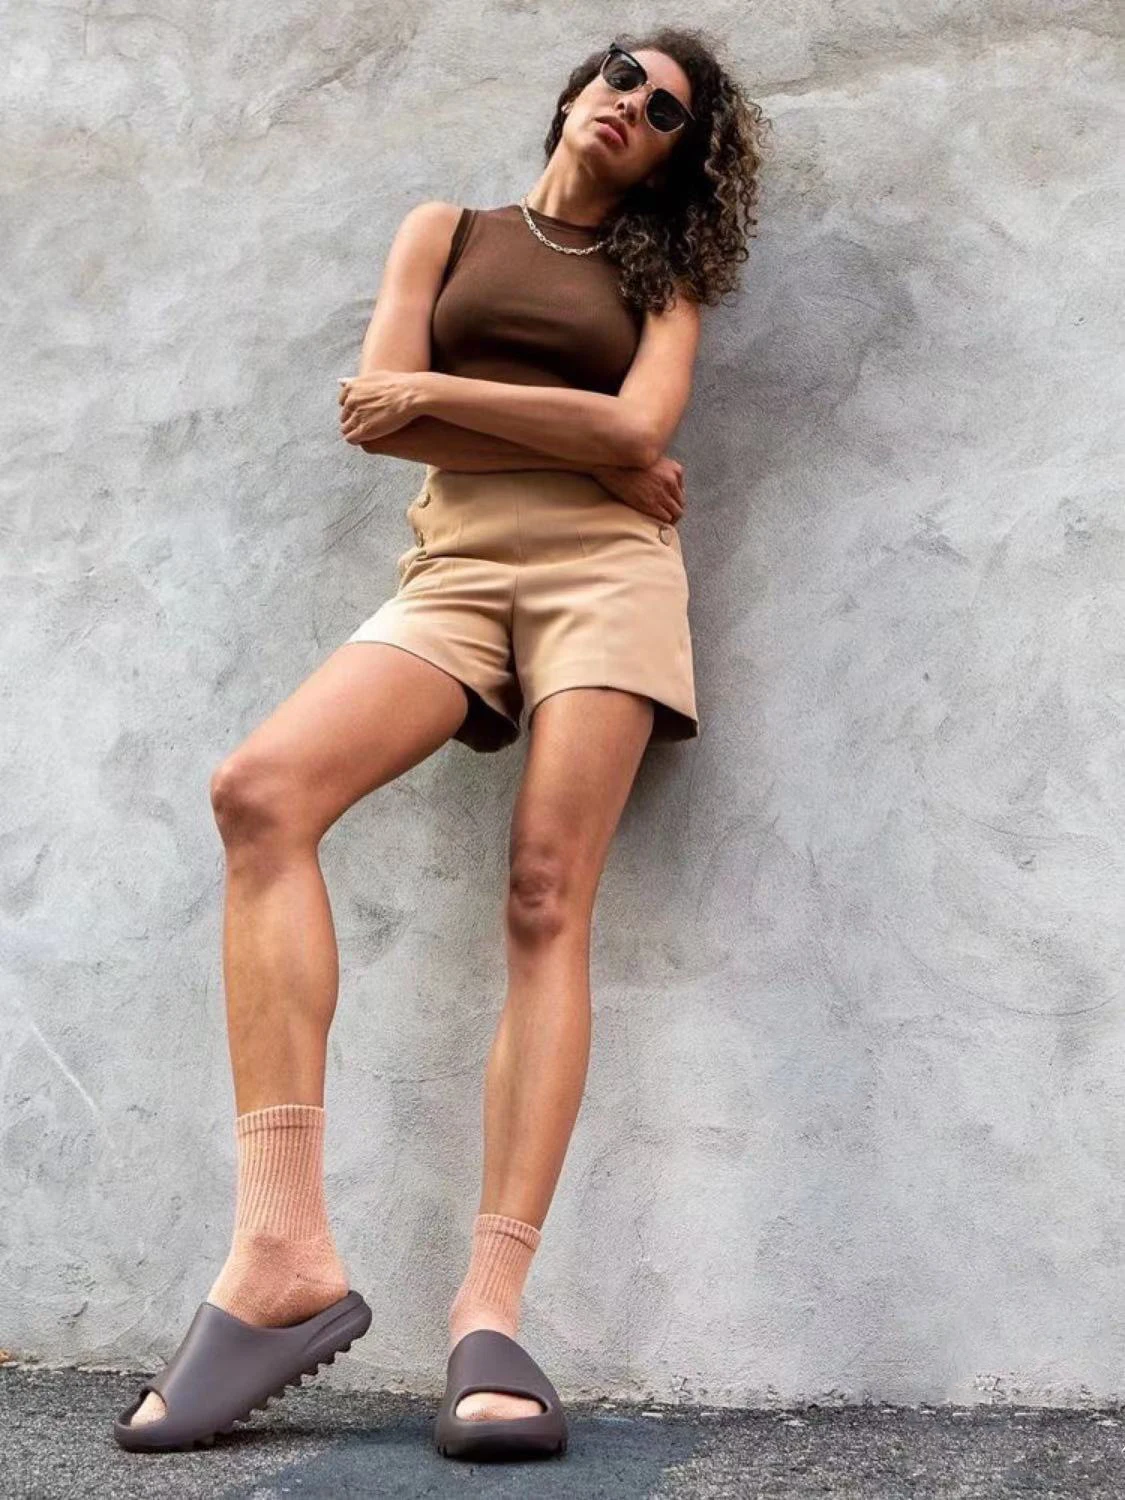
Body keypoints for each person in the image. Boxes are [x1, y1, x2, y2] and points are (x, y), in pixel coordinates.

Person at [113, 27, 767, 1463]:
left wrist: (452, 401)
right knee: (261, 794)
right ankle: (281, 1249)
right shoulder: (445, 232)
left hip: (608, 577)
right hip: (456, 572)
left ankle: (491, 1314)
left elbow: (635, 426)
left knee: (544, 895)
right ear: (577, 86)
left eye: (667, 112)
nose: (633, 105)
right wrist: (582, 440)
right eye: (623, 74)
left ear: (675, 161)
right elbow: (376, 413)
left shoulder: (666, 282)